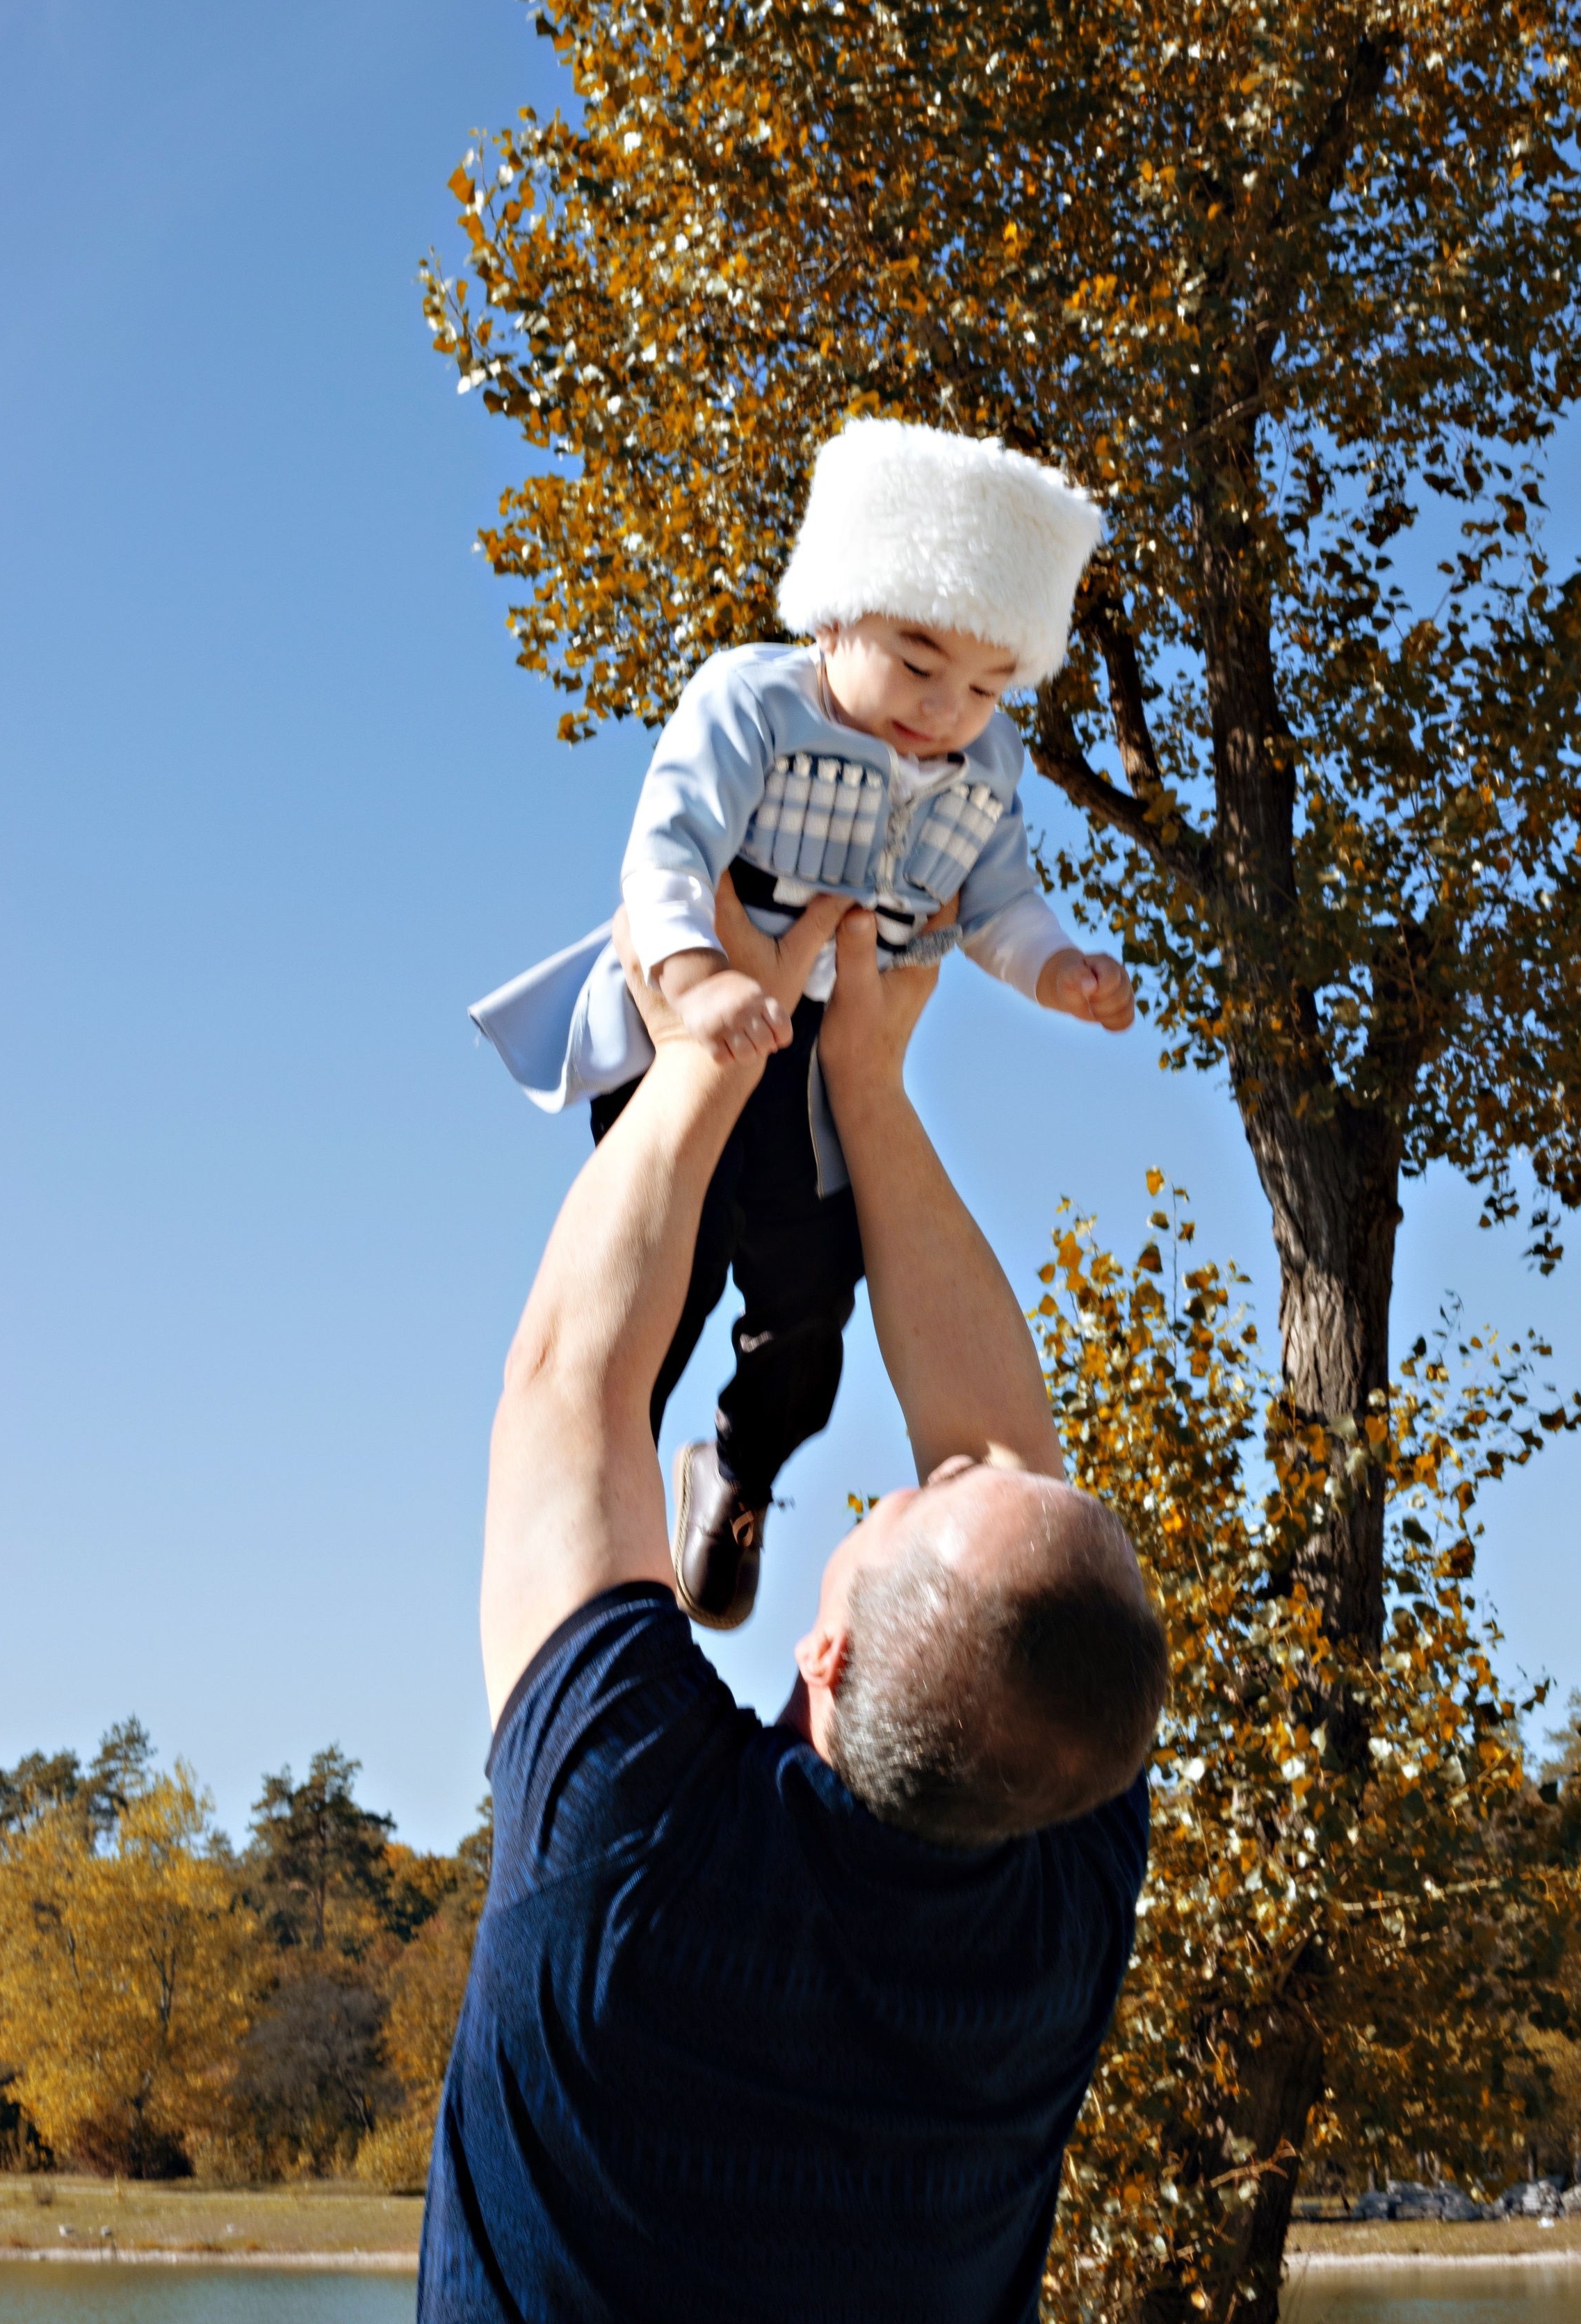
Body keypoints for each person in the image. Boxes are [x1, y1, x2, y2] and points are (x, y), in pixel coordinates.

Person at [419, 892, 1167, 2324]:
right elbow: (1003, 1478)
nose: (898, 1484)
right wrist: (863, 1091)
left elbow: (572, 1386)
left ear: (821, 1656)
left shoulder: (628, 1856)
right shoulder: (1041, 1872)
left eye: (899, 1507)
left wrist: (711, 1048)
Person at [469, 419, 1136, 1629]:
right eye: (919, 661)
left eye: (988, 683)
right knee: (659, 1290)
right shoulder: (753, 702)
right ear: (833, 614)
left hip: (824, 1074)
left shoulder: (987, 761)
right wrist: (694, 976)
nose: (946, 708)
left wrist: (1055, 972)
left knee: (812, 1311)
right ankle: (605, 1516)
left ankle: (736, 1473)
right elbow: (666, 849)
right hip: (701, 1032)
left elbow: (998, 903)